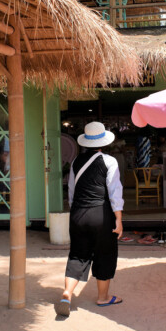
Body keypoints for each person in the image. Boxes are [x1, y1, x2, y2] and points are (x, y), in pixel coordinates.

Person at [56, 122, 124, 317]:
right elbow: (114, 192)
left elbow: (71, 191)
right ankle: (103, 298)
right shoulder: (109, 161)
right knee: (105, 254)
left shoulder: (76, 161)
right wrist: (118, 219)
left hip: (78, 213)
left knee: (78, 254)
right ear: (104, 141)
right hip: (101, 215)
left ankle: (67, 294)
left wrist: (75, 211)